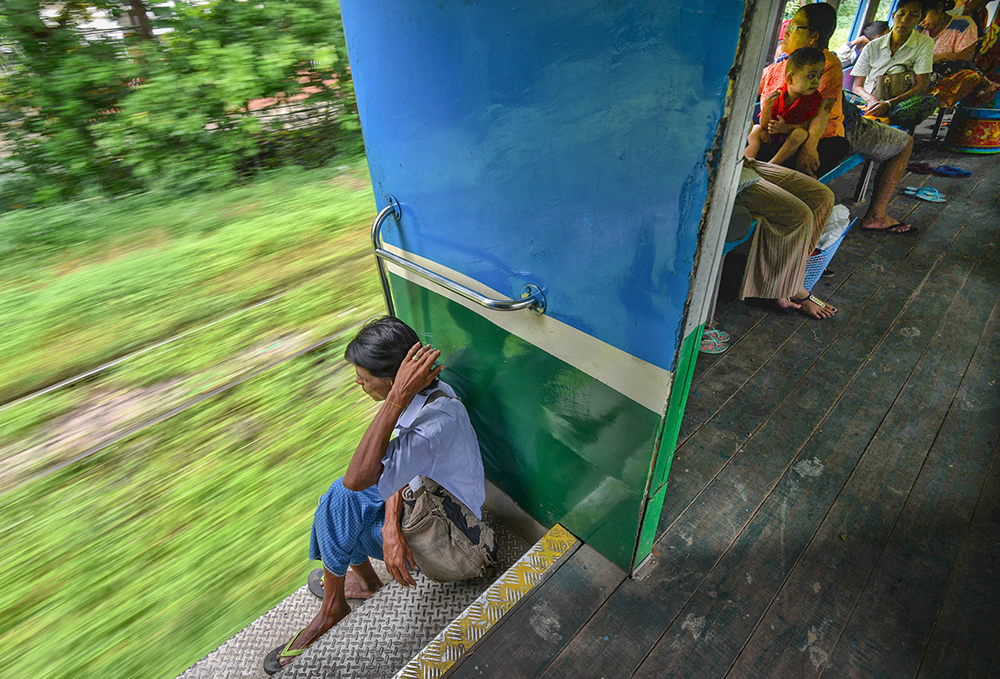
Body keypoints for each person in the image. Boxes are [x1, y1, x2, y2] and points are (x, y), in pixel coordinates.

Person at [263, 317, 486, 674]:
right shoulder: (431, 397)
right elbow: (401, 468)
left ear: (394, 381)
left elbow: (357, 478)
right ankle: (366, 583)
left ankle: (333, 609)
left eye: (364, 378)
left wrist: (395, 398)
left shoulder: (429, 424)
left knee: (339, 500)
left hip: (456, 547)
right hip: (431, 507)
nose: (358, 382)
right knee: (337, 506)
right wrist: (389, 529)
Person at [736, 158, 838, 320]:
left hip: (742, 160)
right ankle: (787, 288)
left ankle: (792, 277)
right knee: (799, 215)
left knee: (822, 197)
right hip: (724, 168)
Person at [758, 2, 849, 177]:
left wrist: (810, 147)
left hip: (813, 136)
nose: (786, 32)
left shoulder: (827, 64)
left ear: (813, 37)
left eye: (793, 27)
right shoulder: (776, 67)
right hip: (776, 134)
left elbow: (823, 110)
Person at [851, 0, 939, 127]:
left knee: (926, 102)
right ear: (893, 16)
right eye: (901, 14)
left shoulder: (924, 43)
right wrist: (871, 100)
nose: (905, 20)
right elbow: (857, 86)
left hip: (898, 102)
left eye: (913, 15)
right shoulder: (872, 46)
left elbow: (921, 85)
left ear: (920, 20)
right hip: (868, 99)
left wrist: (889, 103)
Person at [747, 47, 827, 166]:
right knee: (756, 129)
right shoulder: (778, 95)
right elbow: (765, 125)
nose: (816, 81)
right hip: (772, 138)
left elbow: (807, 126)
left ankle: (771, 165)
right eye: (811, 76)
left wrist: (785, 128)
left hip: (790, 142)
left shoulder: (814, 99)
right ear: (790, 78)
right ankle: (748, 159)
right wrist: (767, 109)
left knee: (800, 134)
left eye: (819, 76)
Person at [920, 0, 999, 107]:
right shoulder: (918, 29)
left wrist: (937, 58)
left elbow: (965, 57)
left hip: (943, 72)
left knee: (961, 66)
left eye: (924, 15)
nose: (920, 22)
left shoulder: (962, 24)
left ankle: (984, 84)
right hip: (921, 72)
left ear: (939, 8)